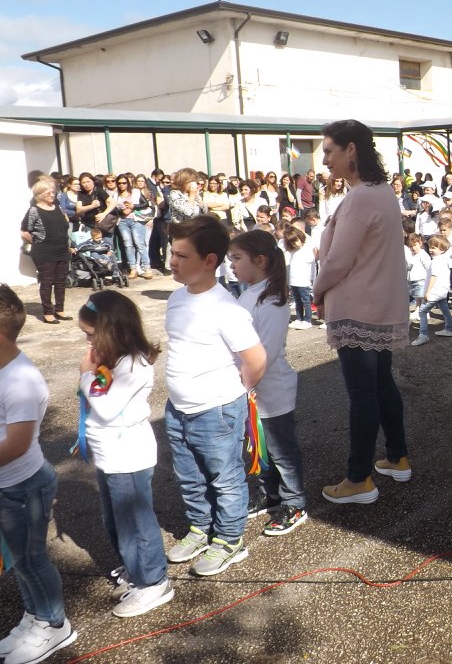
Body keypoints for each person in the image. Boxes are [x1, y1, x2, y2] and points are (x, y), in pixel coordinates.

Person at [313, 119, 411, 504]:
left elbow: (337, 261)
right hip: (379, 304)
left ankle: (359, 478)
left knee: (363, 394)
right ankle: (397, 457)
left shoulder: (359, 197)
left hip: (358, 306)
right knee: (381, 385)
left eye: (328, 152)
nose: (325, 161)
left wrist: (317, 291)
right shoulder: (382, 191)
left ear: (350, 149)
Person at [163, 216, 267, 575]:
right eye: (171, 253)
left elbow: (255, 359)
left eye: (181, 255)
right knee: (189, 477)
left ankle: (229, 539)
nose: (172, 262)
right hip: (178, 409)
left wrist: (238, 391)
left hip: (216, 410)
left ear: (209, 261)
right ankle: (199, 528)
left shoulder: (226, 308)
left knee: (224, 478)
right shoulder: (176, 298)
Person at [75, 291, 173, 617]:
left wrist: (86, 374)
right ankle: (136, 569)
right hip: (110, 457)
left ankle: (153, 582)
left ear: (111, 331)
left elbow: (105, 407)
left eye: (91, 336)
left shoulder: (134, 365)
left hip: (128, 458)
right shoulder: (113, 361)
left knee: (136, 525)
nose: (88, 344)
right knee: (116, 522)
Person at [0, 285, 78, 663]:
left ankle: (55, 625)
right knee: (20, 560)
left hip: (24, 487)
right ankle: (34, 617)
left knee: (32, 559)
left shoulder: (21, 380)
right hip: (7, 486)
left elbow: (15, 444)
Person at [230, 230, 308, 536]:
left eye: (237, 258)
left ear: (260, 261)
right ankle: (270, 493)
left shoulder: (272, 300)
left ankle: (294, 501)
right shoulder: (248, 294)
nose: (232, 265)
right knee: (261, 448)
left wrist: (245, 381)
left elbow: (268, 350)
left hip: (270, 388)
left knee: (281, 449)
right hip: (252, 387)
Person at [20, 178, 72, 325]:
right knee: (47, 282)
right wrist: (38, 242)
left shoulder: (57, 207)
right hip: (44, 253)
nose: (52, 194)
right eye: (48, 192)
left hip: (62, 250)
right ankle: (48, 313)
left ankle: (60, 310)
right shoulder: (34, 211)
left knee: (61, 281)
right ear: (40, 194)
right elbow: (24, 231)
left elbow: (63, 225)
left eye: (53, 191)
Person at [411, 235, 452, 347]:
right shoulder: (444, 259)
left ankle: (423, 334)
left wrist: (427, 292)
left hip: (434, 292)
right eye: (430, 247)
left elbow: (433, 277)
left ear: (442, 249)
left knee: (422, 311)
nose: (431, 250)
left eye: (434, 247)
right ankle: (448, 329)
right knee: (445, 310)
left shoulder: (435, 262)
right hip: (442, 291)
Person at [283, 225, 316, 330]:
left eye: (296, 240)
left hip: (304, 281)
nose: (295, 244)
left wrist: (311, 279)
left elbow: (312, 266)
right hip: (294, 281)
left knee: (306, 301)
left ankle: (307, 320)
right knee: (298, 302)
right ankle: (299, 318)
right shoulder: (291, 252)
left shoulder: (306, 249)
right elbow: (286, 260)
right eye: (292, 242)